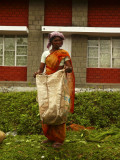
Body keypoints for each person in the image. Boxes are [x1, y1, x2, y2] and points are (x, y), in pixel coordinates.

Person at [34, 31, 75, 148]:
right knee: (47, 108)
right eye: (56, 40)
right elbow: (41, 69)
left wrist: (67, 68)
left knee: (58, 109)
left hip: (59, 84)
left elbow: (69, 67)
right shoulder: (45, 54)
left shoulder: (64, 54)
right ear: (51, 42)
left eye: (60, 40)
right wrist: (36, 73)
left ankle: (59, 139)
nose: (59, 42)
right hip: (48, 84)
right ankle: (50, 137)